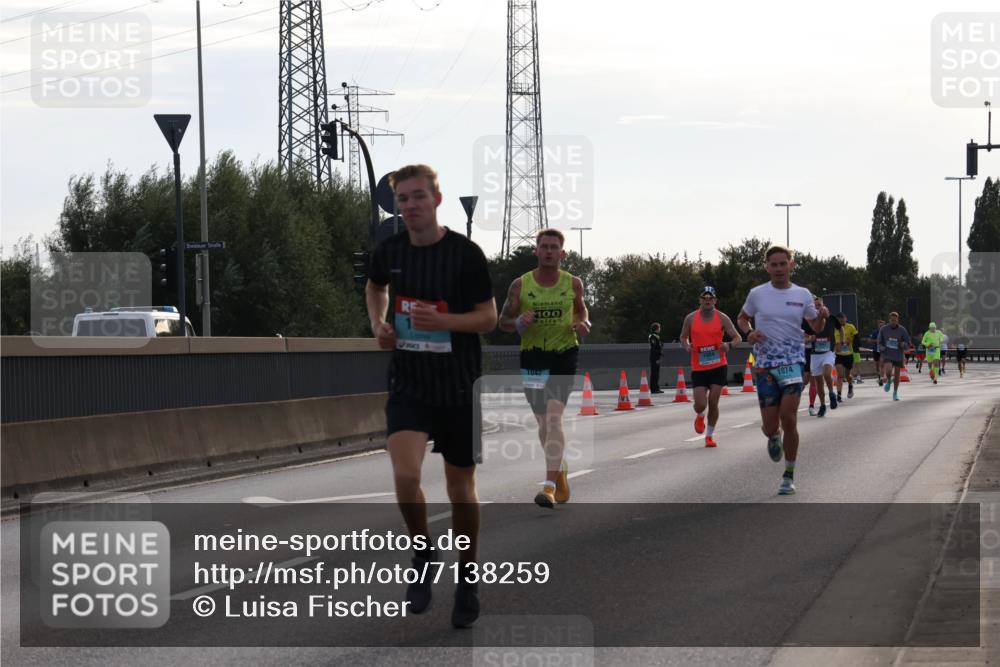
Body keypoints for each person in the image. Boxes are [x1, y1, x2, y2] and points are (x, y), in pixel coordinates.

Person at [366, 164, 497, 628]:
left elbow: (488, 318)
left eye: (418, 197)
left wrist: (444, 322)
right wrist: (378, 324)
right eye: (403, 199)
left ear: (437, 200)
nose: (410, 206)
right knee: (405, 473)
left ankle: (467, 578)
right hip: (410, 381)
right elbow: (375, 286)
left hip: (459, 383)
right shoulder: (391, 250)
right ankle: (423, 553)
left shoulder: (465, 254)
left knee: (461, 489)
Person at [499, 229, 591, 509]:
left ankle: (549, 486)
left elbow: (582, 311)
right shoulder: (520, 285)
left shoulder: (573, 283)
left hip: (564, 353)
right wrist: (518, 324)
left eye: (554, 247)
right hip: (533, 356)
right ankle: (559, 469)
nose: (549, 251)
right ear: (536, 251)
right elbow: (502, 320)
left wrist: (584, 324)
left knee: (553, 418)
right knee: (542, 424)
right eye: (544, 247)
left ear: (563, 253)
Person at [738, 246, 828, 496]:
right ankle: (773, 436)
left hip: (793, 362)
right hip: (765, 364)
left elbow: (816, 326)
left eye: (782, 264)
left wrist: (822, 316)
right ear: (767, 267)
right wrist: (749, 333)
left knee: (789, 416)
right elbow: (742, 317)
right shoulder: (757, 294)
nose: (778, 269)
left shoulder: (802, 294)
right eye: (773, 264)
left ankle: (789, 475)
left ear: (791, 265)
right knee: (769, 427)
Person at [680, 286, 743, 447]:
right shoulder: (690, 318)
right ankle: (700, 414)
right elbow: (683, 337)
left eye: (711, 298)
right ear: (700, 300)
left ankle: (709, 435)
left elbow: (737, 337)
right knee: (701, 404)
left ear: (715, 300)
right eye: (704, 298)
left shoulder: (722, 318)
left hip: (718, 365)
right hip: (699, 367)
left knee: (714, 402)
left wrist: (729, 345)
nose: (707, 301)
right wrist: (687, 346)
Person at [806, 296, 842, 418]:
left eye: (819, 305)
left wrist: (840, 342)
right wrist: (810, 338)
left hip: (828, 352)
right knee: (818, 383)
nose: (818, 308)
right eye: (815, 306)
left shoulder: (831, 318)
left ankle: (832, 394)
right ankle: (822, 405)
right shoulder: (810, 320)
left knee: (827, 374)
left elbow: (840, 328)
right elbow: (804, 337)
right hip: (815, 354)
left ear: (823, 306)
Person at [877, 312, 912, 401]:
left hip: (898, 355)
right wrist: (881, 347)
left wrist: (903, 345)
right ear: (889, 320)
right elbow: (879, 341)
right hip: (887, 353)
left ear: (898, 320)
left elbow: (908, 343)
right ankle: (889, 380)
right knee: (888, 371)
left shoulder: (902, 330)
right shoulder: (884, 329)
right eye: (892, 320)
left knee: (897, 375)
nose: (893, 322)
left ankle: (895, 393)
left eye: (895, 320)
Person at [834, 313, 858, 401]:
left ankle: (850, 386)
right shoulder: (835, 329)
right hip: (839, 355)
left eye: (842, 319)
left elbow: (856, 337)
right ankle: (839, 394)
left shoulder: (851, 327)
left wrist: (854, 343)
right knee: (840, 375)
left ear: (846, 318)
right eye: (839, 320)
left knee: (848, 375)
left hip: (849, 354)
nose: (841, 321)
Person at [869, 319, 885, 386]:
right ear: (878, 326)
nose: (881, 326)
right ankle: (879, 376)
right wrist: (877, 341)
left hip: (883, 351)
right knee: (877, 365)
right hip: (876, 350)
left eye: (882, 325)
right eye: (880, 325)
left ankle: (881, 378)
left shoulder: (886, 332)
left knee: (882, 364)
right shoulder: (875, 332)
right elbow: (870, 340)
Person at [649, 323, 664, 393]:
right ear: (656, 329)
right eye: (659, 328)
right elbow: (654, 347)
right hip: (654, 357)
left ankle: (656, 388)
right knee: (654, 373)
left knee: (656, 373)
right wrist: (657, 356)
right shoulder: (653, 336)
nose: (660, 329)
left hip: (657, 356)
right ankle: (654, 388)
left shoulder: (657, 336)